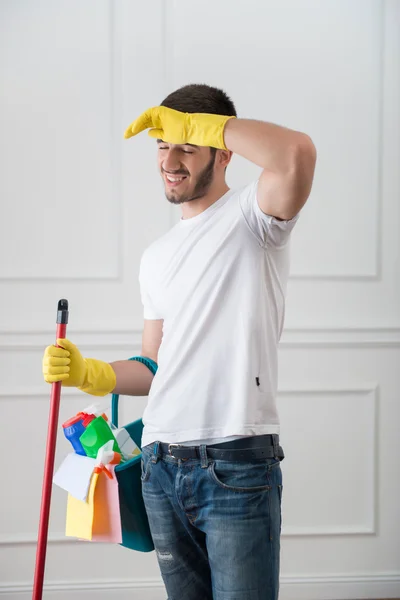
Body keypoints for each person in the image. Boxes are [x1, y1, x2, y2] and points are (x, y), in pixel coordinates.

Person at [43, 83, 316, 600]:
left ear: (222, 151)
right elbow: (152, 366)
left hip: (235, 461)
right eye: (163, 144)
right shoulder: (157, 256)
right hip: (158, 466)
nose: (170, 158)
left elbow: (296, 153)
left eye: (186, 144)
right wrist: (89, 373)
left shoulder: (254, 220)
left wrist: (200, 124)